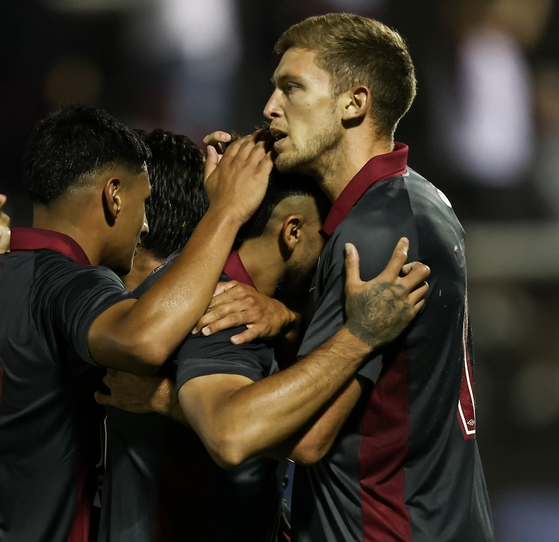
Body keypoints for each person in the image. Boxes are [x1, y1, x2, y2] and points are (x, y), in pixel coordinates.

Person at [0, 124, 430, 541]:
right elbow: (275, 437)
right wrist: (362, 334)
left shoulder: (178, 309)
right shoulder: (207, 310)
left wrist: (286, 325)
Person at [201, 12, 494, 542]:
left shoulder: (376, 234)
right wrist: (291, 320)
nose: (270, 107)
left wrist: (172, 400)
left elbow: (308, 436)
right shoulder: (420, 201)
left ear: (354, 103)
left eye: (292, 88)